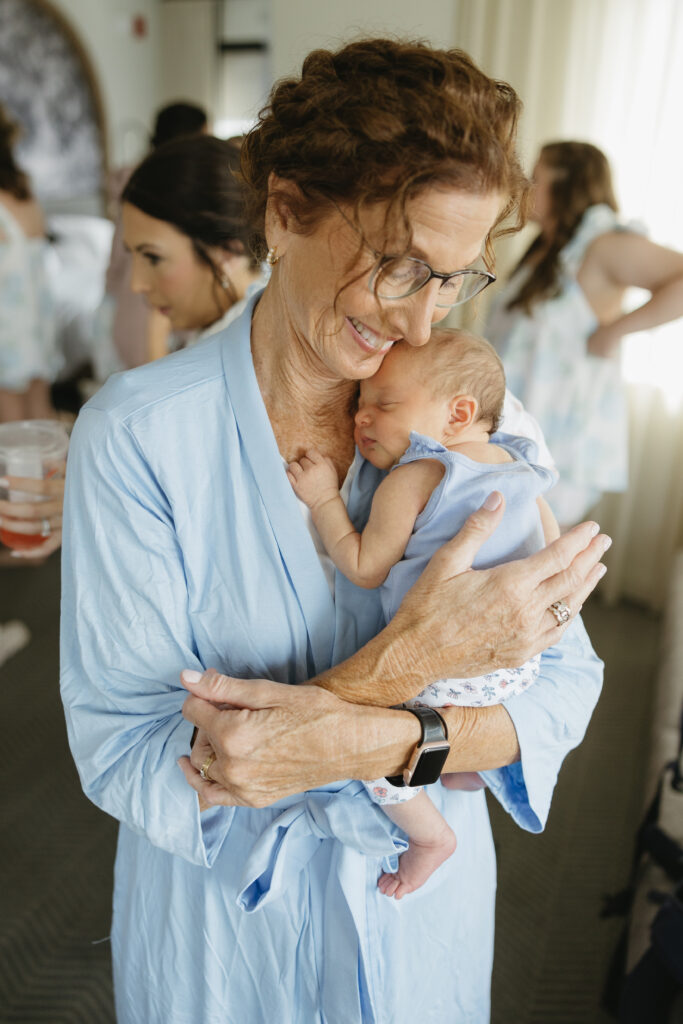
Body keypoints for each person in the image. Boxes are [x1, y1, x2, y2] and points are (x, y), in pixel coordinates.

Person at [61, 40, 609, 1024]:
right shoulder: (140, 435)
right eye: (399, 269)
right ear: (284, 208)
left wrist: (379, 737)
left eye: (452, 280)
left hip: (418, 924)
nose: (418, 326)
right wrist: (415, 661)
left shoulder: (466, 407)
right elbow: (133, 753)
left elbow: (560, 686)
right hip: (229, 945)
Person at [287, 328, 559, 900]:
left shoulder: (416, 477)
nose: (362, 418)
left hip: (443, 665)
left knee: (365, 741)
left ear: (458, 413)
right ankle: (463, 768)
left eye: (383, 404)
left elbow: (364, 566)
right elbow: (553, 553)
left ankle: (430, 837)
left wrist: (323, 501)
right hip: (516, 664)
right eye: (359, 403)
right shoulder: (524, 470)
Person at [485, 140, 683, 527]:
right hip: (518, 429)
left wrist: (614, 332)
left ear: (568, 184)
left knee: (528, 556)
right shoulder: (549, 249)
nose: (525, 185)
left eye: (536, 177)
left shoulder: (603, 245)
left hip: (561, 441)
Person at [98, 101, 209, 374]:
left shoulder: (133, 183)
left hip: (125, 308)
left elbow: (116, 264)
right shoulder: (168, 189)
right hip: (147, 313)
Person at [120, 134, 262, 345]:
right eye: (132, 254)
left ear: (228, 250)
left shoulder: (247, 346)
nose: (137, 285)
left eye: (153, 258)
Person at [0, 104, 60, 422]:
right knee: (39, 418)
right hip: (36, 321)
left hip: (8, 326)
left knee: (11, 431)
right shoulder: (24, 192)